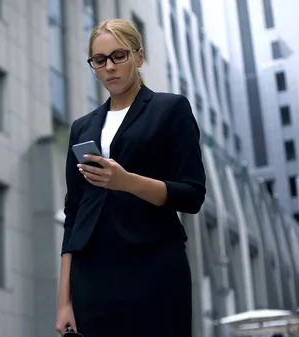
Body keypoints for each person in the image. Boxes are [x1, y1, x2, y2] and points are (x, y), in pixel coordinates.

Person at [55, 18, 206, 337]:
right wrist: (63, 300)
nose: (109, 67)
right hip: (92, 275)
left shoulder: (171, 109)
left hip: (154, 268)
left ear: (139, 56)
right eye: (99, 60)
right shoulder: (82, 127)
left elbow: (192, 195)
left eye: (118, 56)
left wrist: (126, 181)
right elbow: (74, 214)